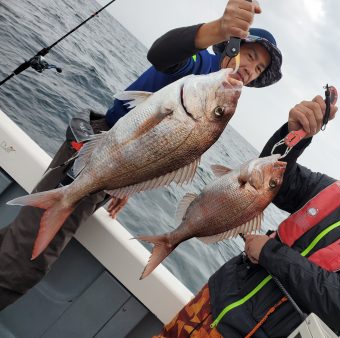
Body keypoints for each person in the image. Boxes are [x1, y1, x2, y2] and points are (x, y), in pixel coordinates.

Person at [0, 0, 283, 310]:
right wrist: (218, 28)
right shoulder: (199, 66)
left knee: (20, 245)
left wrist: (129, 185)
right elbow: (161, 54)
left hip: (113, 170)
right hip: (93, 158)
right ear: (234, 42)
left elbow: (165, 149)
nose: (250, 70)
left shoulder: (216, 96)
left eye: (257, 70)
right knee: (24, 265)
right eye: (251, 55)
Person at [153, 95, 340, 337]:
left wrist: (271, 252)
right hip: (211, 301)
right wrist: (295, 134)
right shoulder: (329, 188)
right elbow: (272, 178)